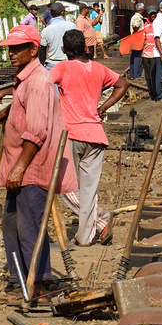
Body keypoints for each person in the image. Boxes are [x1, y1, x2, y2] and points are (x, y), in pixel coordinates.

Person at [0, 24, 78, 301]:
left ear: (33, 49)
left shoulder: (39, 81)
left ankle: (37, 285)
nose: (12, 54)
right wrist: (11, 110)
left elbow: (37, 132)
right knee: (12, 224)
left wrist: (19, 167)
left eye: (18, 48)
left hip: (31, 166)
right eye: (10, 49)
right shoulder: (25, 79)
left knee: (29, 225)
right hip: (20, 167)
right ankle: (20, 279)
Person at [47, 29, 126, 246]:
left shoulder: (62, 67)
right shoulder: (98, 68)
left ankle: (99, 221)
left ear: (63, 50)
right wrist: (103, 107)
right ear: (85, 48)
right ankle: (86, 235)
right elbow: (123, 85)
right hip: (96, 135)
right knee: (89, 188)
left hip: (71, 134)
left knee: (63, 186)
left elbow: (42, 85)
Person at [144, 1, 162, 100]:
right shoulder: (158, 21)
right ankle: (159, 96)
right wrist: (161, 53)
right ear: (161, 9)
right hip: (160, 53)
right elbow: (157, 38)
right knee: (160, 76)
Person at [40, 1, 72, 68]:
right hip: (69, 63)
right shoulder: (71, 26)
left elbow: (42, 52)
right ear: (62, 12)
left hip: (51, 65)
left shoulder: (46, 30)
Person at [127, 8, 147, 81]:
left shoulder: (134, 16)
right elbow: (135, 26)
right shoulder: (137, 18)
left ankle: (133, 74)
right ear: (141, 10)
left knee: (134, 56)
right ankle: (136, 75)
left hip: (134, 39)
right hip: (137, 39)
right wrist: (137, 34)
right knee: (137, 57)